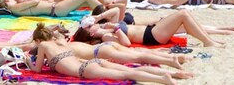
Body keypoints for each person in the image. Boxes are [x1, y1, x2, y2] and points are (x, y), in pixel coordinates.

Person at [26, 23, 186, 84]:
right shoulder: (61, 42)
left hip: (85, 69)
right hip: (92, 61)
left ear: (39, 40)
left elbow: (37, 70)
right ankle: (171, 72)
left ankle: (162, 79)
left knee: (127, 74)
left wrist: (28, 62)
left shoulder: (43, 45)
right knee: (133, 64)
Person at [73, 10, 234, 49]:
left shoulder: (104, 27)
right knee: (183, 14)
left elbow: (116, 10)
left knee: (184, 18)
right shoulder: (105, 37)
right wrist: (115, 29)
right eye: (90, 25)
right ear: (91, 33)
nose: (93, 23)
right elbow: (127, 43)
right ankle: (208, 41)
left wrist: (98, 17)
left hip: (151, 31)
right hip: (151, 36)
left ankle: (210, 39)